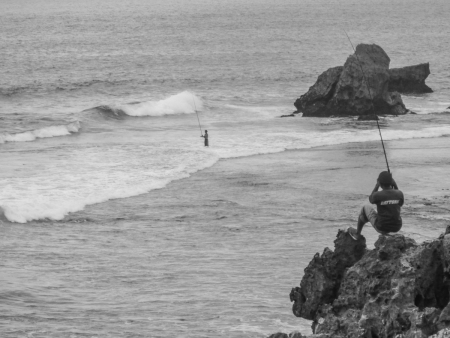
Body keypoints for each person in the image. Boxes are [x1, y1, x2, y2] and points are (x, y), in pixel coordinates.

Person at [348, 171, 404, 240]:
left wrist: (376, 185)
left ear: (380, 183)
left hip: (382, 227)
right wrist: (394, 185)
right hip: (397, 227)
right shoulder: (400, 193)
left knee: (365, 208)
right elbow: (400, 203)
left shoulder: (378, 195)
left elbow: (371, 199)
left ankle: (357, 233)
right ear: (391, 181)